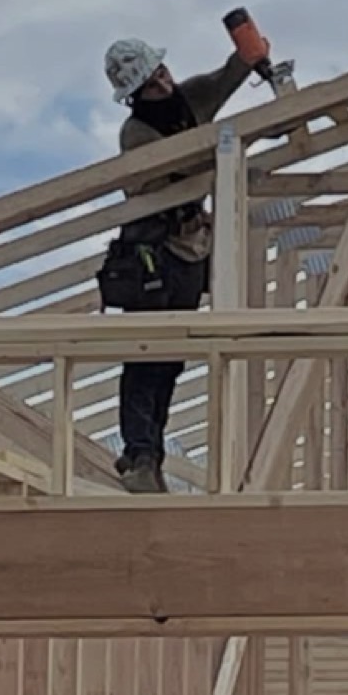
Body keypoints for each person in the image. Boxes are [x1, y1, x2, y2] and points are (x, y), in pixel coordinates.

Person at [100, 36, 262, 493]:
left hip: (191, 250)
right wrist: (225, 150)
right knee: (145, 354)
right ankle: (139, 455)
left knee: (170, 358)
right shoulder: (136, 135)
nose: (162, 85)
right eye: (151, 85)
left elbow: (225, 78)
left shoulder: (190, 98)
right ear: (134, 95)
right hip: (152, 255)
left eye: (162, 75)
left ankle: (150, 457)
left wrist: (250, 55)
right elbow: (173, 178)